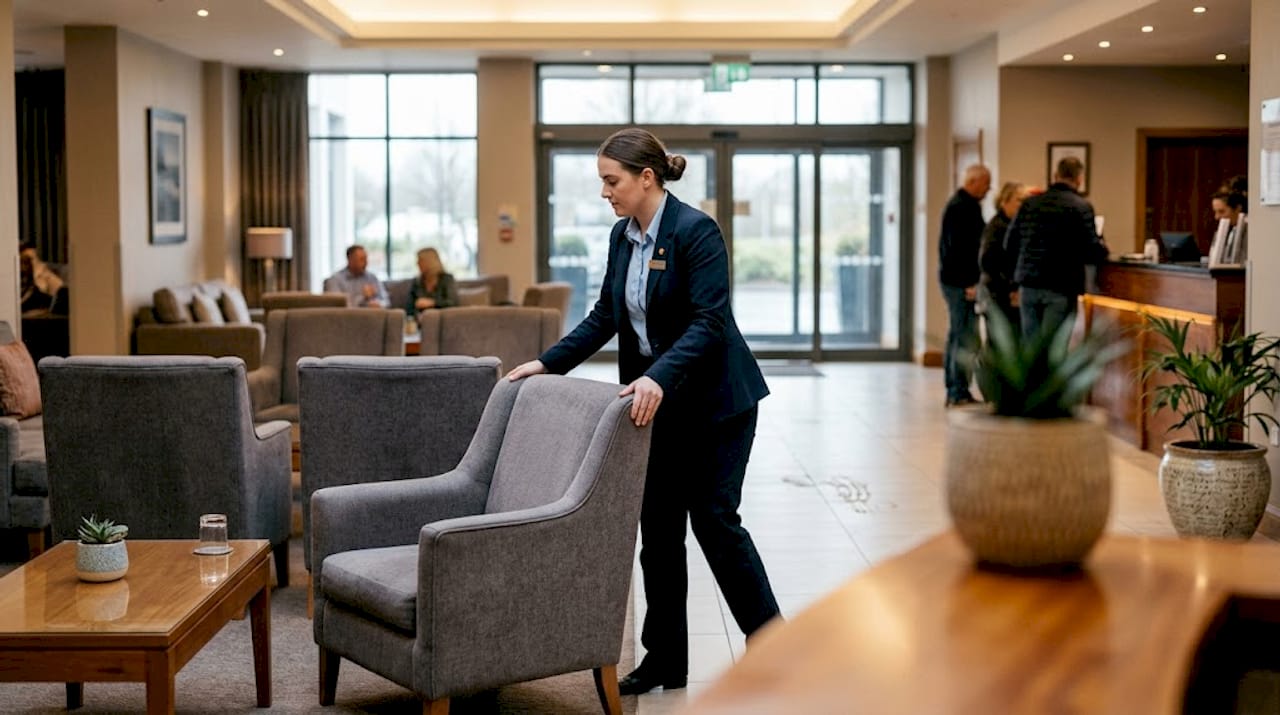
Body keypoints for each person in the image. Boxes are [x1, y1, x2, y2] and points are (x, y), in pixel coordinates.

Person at [505, 127, 780, 696]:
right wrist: (546, 363)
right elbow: (606, 315)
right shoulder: (620, 237)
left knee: (715, 524)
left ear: (646, 178)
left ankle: (775, 645)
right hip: (657, 407)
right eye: (603, 182)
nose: (605, 192)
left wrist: (656, 375)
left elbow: (710, 322)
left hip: (716, 405)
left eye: (612, 181)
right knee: (657, 533)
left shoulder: (695, 231)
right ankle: (665, 660)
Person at [1005, 156, 1108, 338]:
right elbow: (1092, 252)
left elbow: (1010, 244)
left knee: (1031, 349)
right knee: (1054, 351)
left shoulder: (1030, 204)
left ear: (1055, 175)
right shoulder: (1081, 207)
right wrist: (1103, 249)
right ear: (1079, 179)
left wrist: (1015, 281)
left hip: (1028, 285)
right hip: (1061, 286)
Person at [938, 164, 990, 407]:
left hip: (954, 280)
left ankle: (955, 388)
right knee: (965, 337)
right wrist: (970, 283)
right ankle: (958, 391)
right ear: (973, 182)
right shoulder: (963, 207)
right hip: (960, 283)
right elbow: (960, 250)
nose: (988, 189)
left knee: (957, 335)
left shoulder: (961, 204)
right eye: (985, 183)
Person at [977, 181, 1027, 332]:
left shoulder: (1011, 225)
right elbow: (988, 262)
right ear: (1004, 201)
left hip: (1001, 293)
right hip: (999, 295)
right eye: (1019, 200)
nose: (1023, 205)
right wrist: (1011, 288)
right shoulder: (999, 227)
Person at [323, 245, 388, 308]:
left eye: (366, 259)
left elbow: (386, 300)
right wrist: (363, 297)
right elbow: (338, 307)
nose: (366, 262)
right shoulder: (335, 280)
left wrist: (379, 304)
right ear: (350, 260)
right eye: (362, 259)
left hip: (372, 316)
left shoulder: (372, 278)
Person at [406, 247, 458, 316]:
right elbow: (409, 307)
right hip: (420, 321)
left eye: (420, 260)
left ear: (429, 262)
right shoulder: (416, 281)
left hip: (443, 319)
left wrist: (432, 303)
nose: (417, 263)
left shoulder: (447, 279)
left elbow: (453, 303)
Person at [20, 243, 64, 314]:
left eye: (33, 259)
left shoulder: (44, 274)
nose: (31, 263)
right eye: (24, 261)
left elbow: (60, 291)